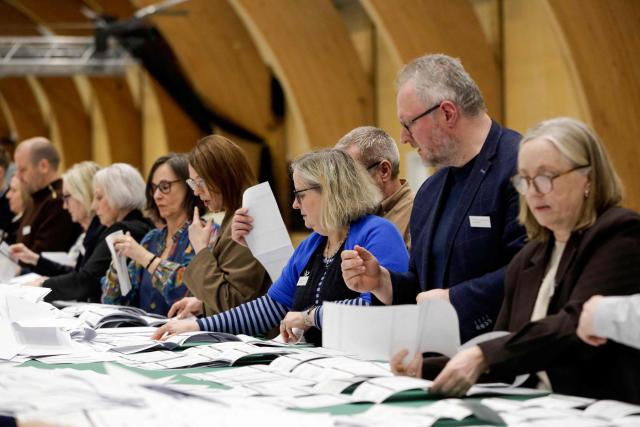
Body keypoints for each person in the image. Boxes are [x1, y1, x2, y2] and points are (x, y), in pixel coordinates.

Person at [391, 117, 640, 404]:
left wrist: (483, 355)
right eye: (525, 180)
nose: (534, 192)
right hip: (528, 408)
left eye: (547, 177)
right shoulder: (529, 258)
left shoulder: (619, 235)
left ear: (589, 178)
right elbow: (506, 348)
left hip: (593, 409)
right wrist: (424, 367)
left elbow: (574, 325)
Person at [341, 54, 526, 342]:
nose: (403, 137)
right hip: (437, 359)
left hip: (503, 359)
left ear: (448, 113)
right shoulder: (430, 190)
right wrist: (381, 282)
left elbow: (531, 271)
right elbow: (422, 285)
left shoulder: (520, 165)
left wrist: (456, 299)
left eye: (408, 123)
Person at [153, 149, 409, 345]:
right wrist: (198, 326)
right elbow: (270, 307)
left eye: (300, 195)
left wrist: (311, 317)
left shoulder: (377, 233)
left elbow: (373, 311)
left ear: (330, 192)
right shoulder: (312, 245)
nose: (296, 205)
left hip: (365, 366)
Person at [166, 135, 270, 319]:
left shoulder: (247, 217)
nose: (196, 191)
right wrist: (203, 305)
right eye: (192, 183)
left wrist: (200, 248)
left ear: (222, 176)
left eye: (201, 182)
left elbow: (233, 304)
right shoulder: (237, 212)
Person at [101, 154, 205, 315]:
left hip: (182, 335)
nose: (157, 195)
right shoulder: (152, 238)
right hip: (143, 334)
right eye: (153, 188)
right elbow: (115, 303)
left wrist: (142, 256)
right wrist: (117, 265)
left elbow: (187, 292)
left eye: (165, 186)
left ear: (189, 186)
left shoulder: (204, 233)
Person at [9, 162, 110, 302]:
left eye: (67, 197)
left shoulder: (106, 232)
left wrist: (43, 285)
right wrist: (35, 259)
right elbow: (75, 273)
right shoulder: (88, 233)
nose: (64, 205)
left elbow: (84, 281)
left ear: (83, 194)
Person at [336, 126, 414, 248]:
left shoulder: (419, 214)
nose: (344, 188)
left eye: (351, 177)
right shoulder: (355, 214)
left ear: (384, 171)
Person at [13, 137, 81, 253]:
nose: (18, 176)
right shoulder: (35, 199)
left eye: (22, 169)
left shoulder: (58, 202)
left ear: (43, 166)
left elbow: (44, 254)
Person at [2, 176, 30, 244]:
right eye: (9, 190)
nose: (7, 195)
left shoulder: (26, 228)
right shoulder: (14, 221)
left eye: (13, 190)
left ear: (27, 195)